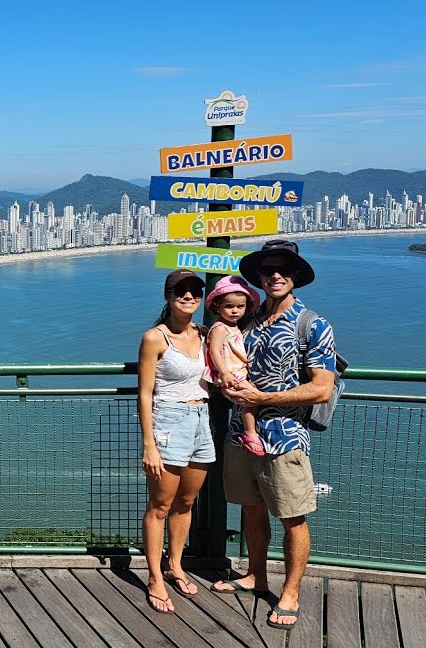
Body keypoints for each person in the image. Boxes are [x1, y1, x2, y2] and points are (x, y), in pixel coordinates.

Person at [211, 239, 337, 632]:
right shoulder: (245, 319)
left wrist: (263, 396)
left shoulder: (312, 324)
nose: (275, 275)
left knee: (293, 518)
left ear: (296, 275)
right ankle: (256, 575)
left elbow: (321, 388)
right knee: (250, 508)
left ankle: (291, 592)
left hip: (285, 437)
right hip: (241, 434)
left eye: (283, 269)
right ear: (260, 277)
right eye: (268, 270)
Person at [137, 269, 213, 614]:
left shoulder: (206, 334)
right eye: (180, 291)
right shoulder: (155, 337)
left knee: (186, 502)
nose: (188, 296)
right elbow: (145, 392)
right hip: (169, 420)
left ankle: (175, 565)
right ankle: (155, 577)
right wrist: (149, 443)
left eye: (194, 291)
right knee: (161, 506)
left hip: (202, 421)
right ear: (168, 296)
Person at [204, 275, 263, 455]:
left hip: (234, 371)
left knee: (250, 398)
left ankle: (250, 431)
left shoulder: (233, 326)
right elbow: (214, 351)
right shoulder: (220, 328)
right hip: (229, 374)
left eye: (240, 306)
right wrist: (224, 373)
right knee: (250, 398)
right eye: (229, 306)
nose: (235, 311)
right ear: (218, 306)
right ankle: (250, 433)